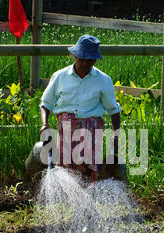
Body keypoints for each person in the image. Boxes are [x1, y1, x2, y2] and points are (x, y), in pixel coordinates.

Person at [40, 34, 121, 182]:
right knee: (66, 168)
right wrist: (45, 124)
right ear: (73, 56)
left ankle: (88, 194)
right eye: (80, 58)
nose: (83, 63)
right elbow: (46, 103)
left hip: (92, 127)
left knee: (89, 169)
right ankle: (69, 195)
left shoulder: (103, 80)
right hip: (67, 126)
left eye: (88, 60)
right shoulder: (60, 76)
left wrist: (116, 133)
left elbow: (113, 110)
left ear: (95, 60)